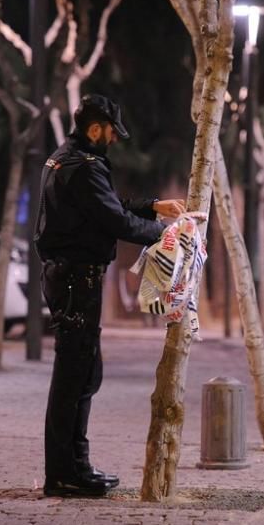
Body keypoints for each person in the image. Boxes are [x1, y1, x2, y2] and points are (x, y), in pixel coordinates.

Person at [34, 94, 184, 498]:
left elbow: (106, 206)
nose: (115, 139)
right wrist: (166, 233)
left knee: (83, 374)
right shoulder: (81, 167)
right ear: (96, 128)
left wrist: (153, 208)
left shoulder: (66, 158)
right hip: (74, 279)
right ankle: (65, 473)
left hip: (72, 278)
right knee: (75, 376)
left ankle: (73, 467)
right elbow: (114, 219)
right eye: (112, 131)